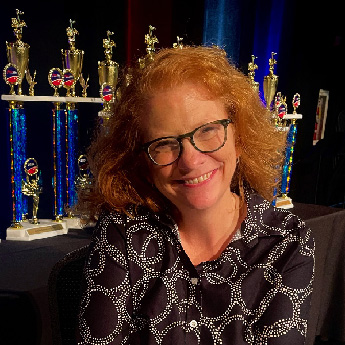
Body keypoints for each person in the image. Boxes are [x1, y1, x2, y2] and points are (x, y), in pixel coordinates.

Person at [76, 46, 314, 345]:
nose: (190, 160)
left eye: (207, 131)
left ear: (238, 138)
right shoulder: (122, 232)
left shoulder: (284, 240)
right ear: (143, 162)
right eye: (164, 144)